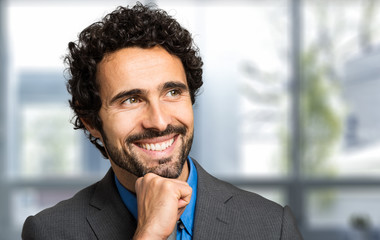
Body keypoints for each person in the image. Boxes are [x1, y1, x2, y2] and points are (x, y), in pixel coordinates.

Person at [22, 3, 303, 240]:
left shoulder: (270, 226)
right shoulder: (50, 232)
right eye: (131, 99)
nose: (158, 122)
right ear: (90, 121)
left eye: (172, 92)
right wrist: (149, 234)